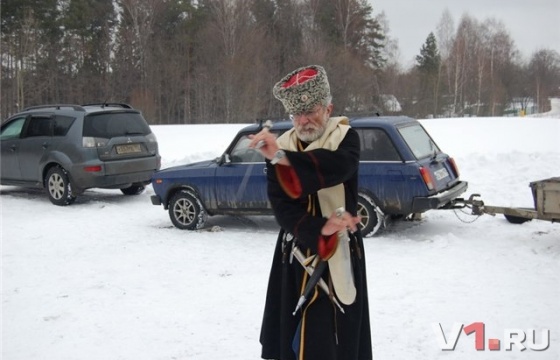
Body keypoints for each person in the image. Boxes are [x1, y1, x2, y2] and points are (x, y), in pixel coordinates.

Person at [249, 65, 372, 360]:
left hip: (340, 251)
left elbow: (338, 167)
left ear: (328, 108)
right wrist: (319, 229)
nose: (304, 121)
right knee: (293, 333)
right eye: (297, 114)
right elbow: (281, 206)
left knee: (334, 338)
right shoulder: (282, 146)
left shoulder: (346, 138)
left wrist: (282, 159)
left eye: (311, 111)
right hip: (295, 252)